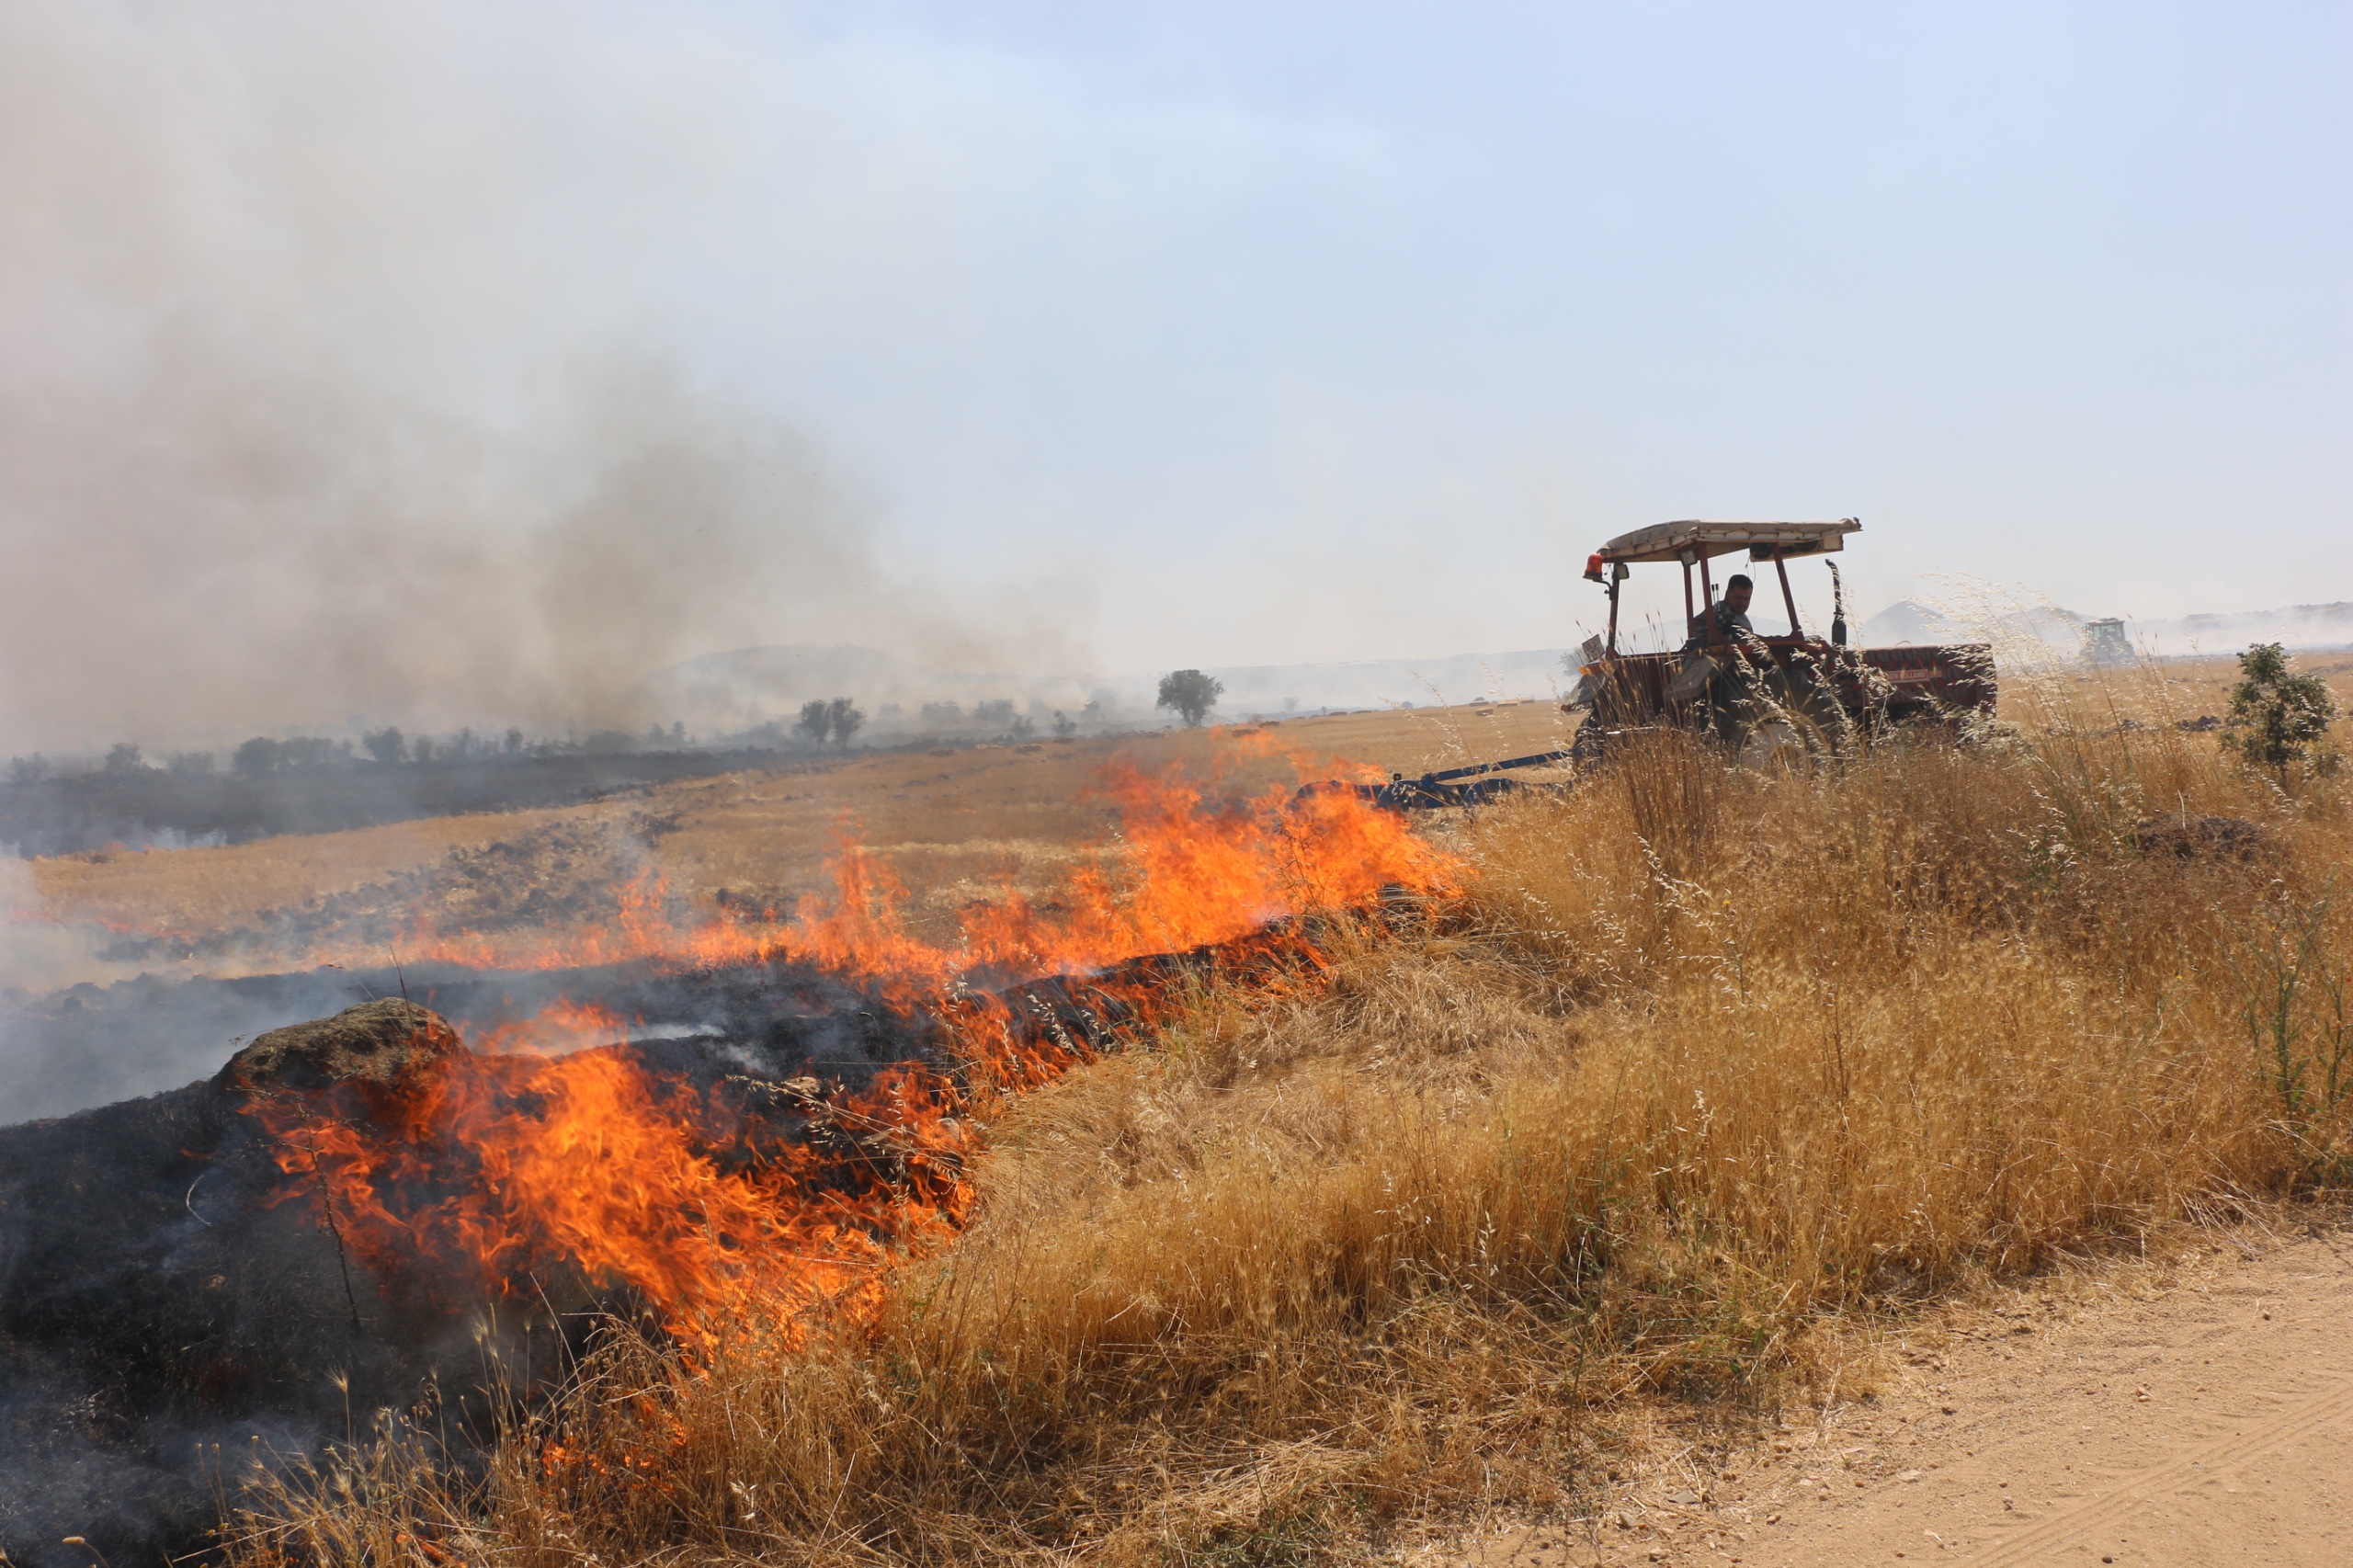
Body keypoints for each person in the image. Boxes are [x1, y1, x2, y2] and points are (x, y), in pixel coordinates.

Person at [1685, 573, 1757, 648]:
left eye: (1746, 599)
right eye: (1738, 598)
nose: (1742, 602)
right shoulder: (1719, 611)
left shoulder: (1743, 618)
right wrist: (1714, 634)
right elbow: (1693, 626)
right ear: (1727, 594)